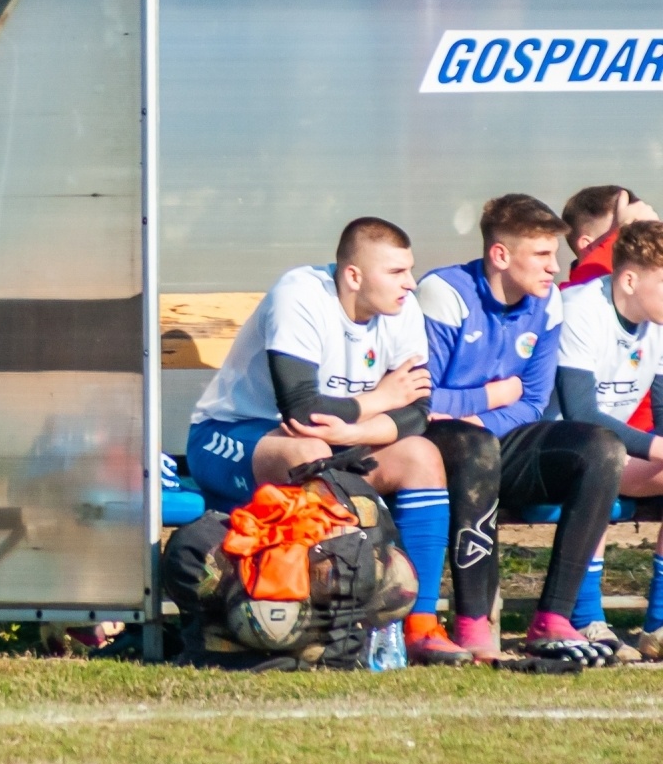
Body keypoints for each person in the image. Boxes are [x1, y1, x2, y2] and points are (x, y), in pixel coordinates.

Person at [186, 217, 470, 664]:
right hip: (230, 436)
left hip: (331, 440)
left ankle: (417, 624)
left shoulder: (403, 309)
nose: (411, 284)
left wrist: (352, 432)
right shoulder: (300, 294)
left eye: (409, 270)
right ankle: (323, 626)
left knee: (422, 456)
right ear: (353, 276)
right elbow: (300, 408)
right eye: (396, 272)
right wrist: (377, 400)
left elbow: (415, 413)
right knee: (312, 455)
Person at [417, 194, 626, 665]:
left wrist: (479, 418)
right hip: (435, 449)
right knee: (473, 448)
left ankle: (554, 617)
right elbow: (420, 399)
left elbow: (532, 401)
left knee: (602, 449)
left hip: (490, 438)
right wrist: (489, 399)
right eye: (543, 255)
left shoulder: (547, 302)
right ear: (500, 255)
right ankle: (472, 621)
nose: (556, 267)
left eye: (555, 253)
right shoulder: (445, 294)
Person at [554, 220, 663, 659]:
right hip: (555, 452)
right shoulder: (579, 309)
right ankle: (586, 618)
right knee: (598, 465)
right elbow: (579, 415)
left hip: (611, 454)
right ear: (630, 279)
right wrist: (655, 446)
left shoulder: (657, 322)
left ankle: (657, 625)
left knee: (607, 461)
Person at [561, 185, 657, 288]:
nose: (639, 240)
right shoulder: (573, 293)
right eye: (627, 233)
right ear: (588, 246)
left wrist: (655, 232)